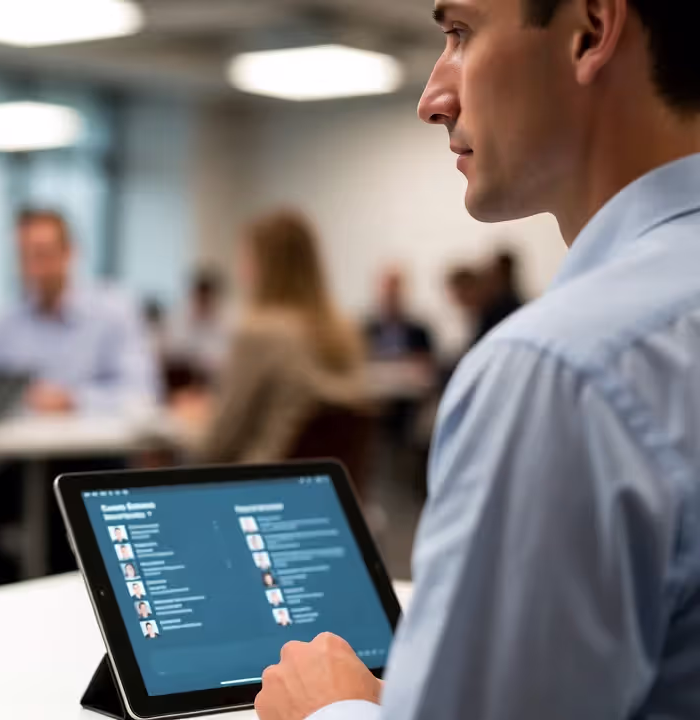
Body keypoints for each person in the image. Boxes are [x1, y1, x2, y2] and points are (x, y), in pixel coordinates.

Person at [256, 1, 700, 719]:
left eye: (460, 33)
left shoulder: (564, 375)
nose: (433, 99)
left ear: (590, 30)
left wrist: (329, 710)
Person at [173, 211, 368, 464]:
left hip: (263, 483)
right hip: (328, 485)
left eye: (245, 259)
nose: (240, 271)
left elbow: (215, 446)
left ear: (261, 266)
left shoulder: (259, 334)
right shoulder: (346, 332)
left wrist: (188, 422)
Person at [0, 209, 159, 416]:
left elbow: (143, 394)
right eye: (24, 256)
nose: (33, 268)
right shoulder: (8, 321)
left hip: (90, 442)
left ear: (69, 252)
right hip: (20, 442)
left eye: (42, 254)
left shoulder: (113, 313)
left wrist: (74, 401)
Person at [163, 268, 231, 387]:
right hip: (183, 379)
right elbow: (172, 349)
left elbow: (223, 357)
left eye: (206, 300)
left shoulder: (226, 322)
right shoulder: (179, 317)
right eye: (199, 299)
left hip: (214, 381)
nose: (202, 304)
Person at [365, 269, 434, 364]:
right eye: (388, 294)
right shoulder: (366, 332)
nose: (391, 299)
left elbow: (427, 364)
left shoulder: (419, 333)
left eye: (395, 294)